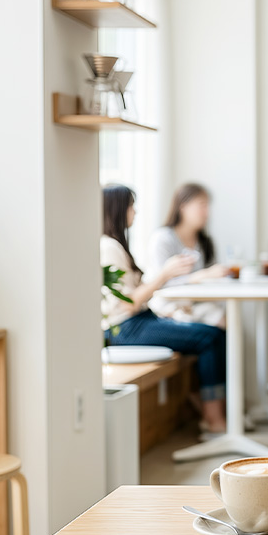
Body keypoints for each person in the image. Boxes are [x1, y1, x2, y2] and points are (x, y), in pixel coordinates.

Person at [101, 184, 229, 434]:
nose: (135, 211)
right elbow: (126, 304)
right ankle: (214, 418)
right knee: (210, 337)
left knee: (213, 333)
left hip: (139, 320)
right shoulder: (109, 248)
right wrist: (165, 274)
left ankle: (213, 412)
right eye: (131, 206)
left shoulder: (116, 245)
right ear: (117, 209)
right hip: (123, 328)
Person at [149, 183, 230, 327]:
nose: (207, 213)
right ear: (183, 206)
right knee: (218, 324)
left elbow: (213, 279)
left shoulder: (205, 242)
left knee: (226, 320)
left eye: (208, 206)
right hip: (168, 308)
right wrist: (200, 276)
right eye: (202, 205)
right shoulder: (163, 238)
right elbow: (159, 283)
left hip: (198, 305)